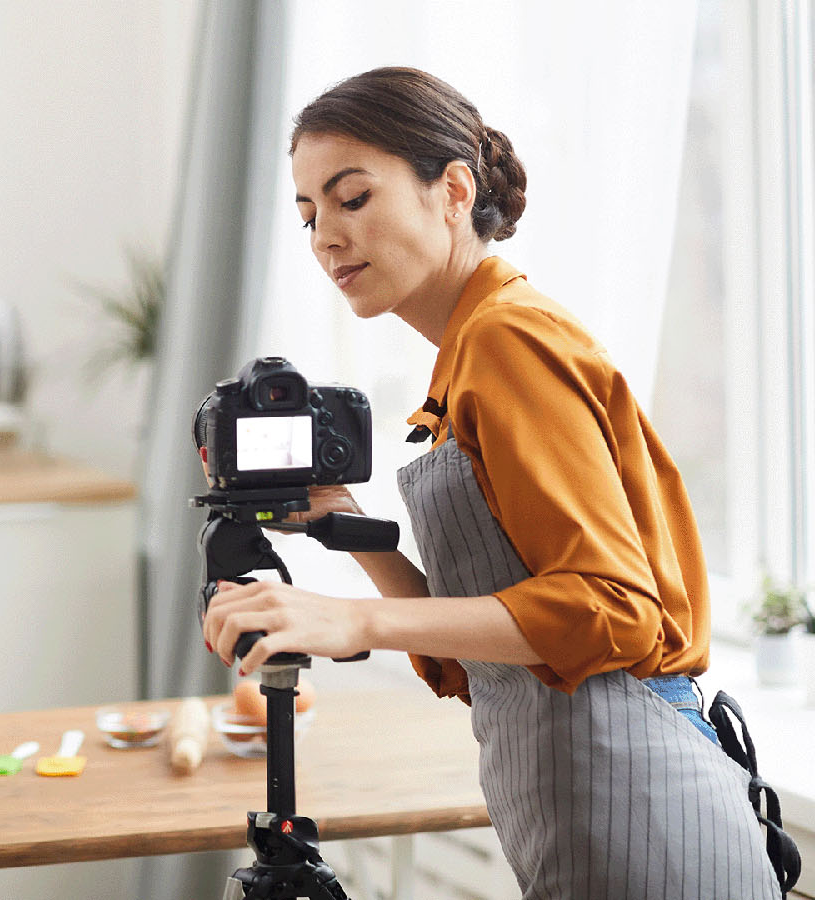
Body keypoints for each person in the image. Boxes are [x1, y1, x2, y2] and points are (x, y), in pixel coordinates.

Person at [200, 66, 780, 900]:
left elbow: (611, 610)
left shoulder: (510, 338)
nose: (325, 235)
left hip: (633, 794)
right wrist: (345, 525)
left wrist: (349, 619)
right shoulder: (468, 350)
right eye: (308, 214)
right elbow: (490, 656)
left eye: (352, 198)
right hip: (573, 798)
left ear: (454, 190)